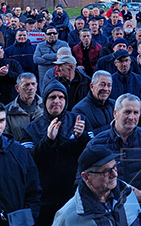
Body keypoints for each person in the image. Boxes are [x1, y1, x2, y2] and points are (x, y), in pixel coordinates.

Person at [87, 94, 141, 226]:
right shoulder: (96, 144)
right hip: (108, 218)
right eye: (127, 112)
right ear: (115, 113)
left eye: (136, 112)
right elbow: (82, 180)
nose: (132, 117)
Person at [21, 80, 91, 226]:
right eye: (52, 97)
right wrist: (47, 141)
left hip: (74, 195)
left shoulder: (79, 121)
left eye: (61, 97)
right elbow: (27, 161)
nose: (57, 101)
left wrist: (82, 138)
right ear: (45, 100)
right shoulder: (30, 129)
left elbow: (94, 154)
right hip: (44, 198)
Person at [52, 144, 141, 226]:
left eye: (115, 167)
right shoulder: (68, 217)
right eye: (106, 172)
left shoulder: (127, 194)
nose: (115, 174)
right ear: (86, 177)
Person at [4, 72, 43, 140]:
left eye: (33, 84)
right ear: (17, 88)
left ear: (36, 86)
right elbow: (6, 139)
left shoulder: (47, 107)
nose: (31, 88)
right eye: (26, 85)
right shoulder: (8, 111)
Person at [33, 26, 69, 92]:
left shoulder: (64, 44)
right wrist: (54, 61)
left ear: (57, 34)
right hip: (43, 76)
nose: (52, 35)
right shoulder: (40, 45)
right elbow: (36, 59)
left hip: (59, 74)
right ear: (45, 35)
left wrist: (46, 56)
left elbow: (65, 57)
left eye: (54, 33)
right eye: (49, 34)